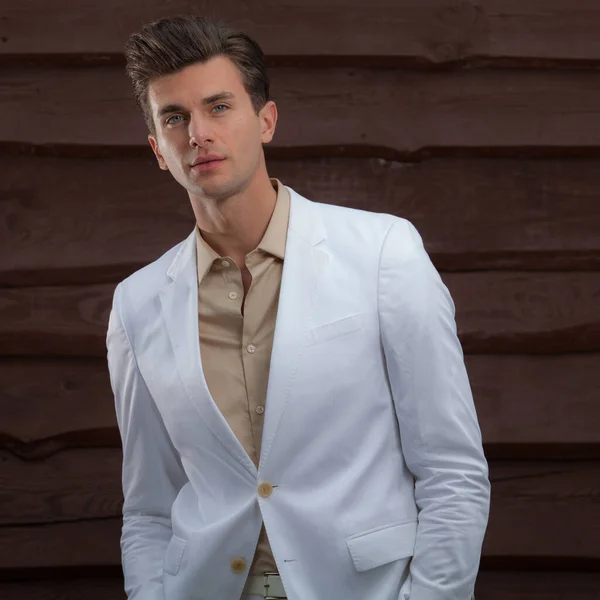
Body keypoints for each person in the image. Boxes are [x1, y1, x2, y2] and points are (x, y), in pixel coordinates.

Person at [106, 13, 491, 600]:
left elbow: (452, 473)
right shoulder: (136, 306)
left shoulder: (383, 253)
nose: (198, 134)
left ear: (266, 121)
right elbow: (150, 508)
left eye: (219, 107)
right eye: (175, 118)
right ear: (159, 149)